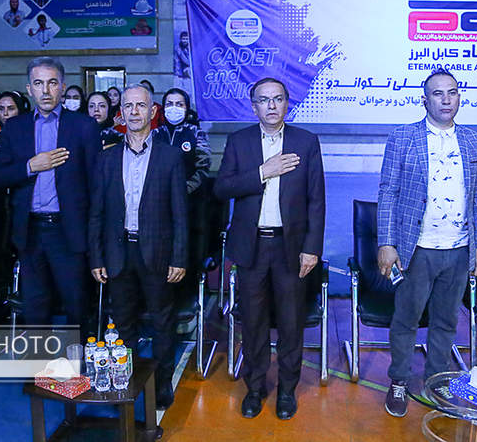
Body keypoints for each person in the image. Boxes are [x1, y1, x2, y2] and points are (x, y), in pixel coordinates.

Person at [378, 68, 477, 417]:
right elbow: (388, 192)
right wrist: (387, 243)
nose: (446, 100)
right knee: (406, 320)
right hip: (416, 249)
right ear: (425, 100)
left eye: (452, 92)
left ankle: (436, 381)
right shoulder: (403, 137)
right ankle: (399, 380)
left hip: (458, 248)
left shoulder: (473, 140)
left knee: (445, 322)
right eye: (438, 94)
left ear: (459, 98)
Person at [214, 77, 325, 420]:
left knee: (291, 322)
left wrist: (312, 248)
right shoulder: (239, 141)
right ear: (254, 107)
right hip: (252, 247)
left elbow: (316, 200)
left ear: (287, 103)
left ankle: (287, 390)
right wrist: (263, 172)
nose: (272, 105)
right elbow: (222, 188)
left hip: (291, 247)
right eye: (264, 100)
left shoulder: (305, 142)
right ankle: (255, 387)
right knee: (253, 321)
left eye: (278, 99)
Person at [89, 83, 188, 410]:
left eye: (141, 105)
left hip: (157, 253)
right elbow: (97, 212)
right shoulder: (106, 159)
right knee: (123, 324)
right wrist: (96, 256)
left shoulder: (170, 157)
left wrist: (179, 257)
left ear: (152, 111)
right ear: (121, 113)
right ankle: (125, 382)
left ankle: (161, 384)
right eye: (128, 106)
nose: (134, 111)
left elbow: (180, 213)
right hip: (118, 253)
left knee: (162, 322)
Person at [0, 57, 100, 327]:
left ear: (62, 87)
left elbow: (97, 184)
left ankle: (77, 355)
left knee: (76, 305)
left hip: (68, 230)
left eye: (52, 83)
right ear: (29, 89)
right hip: (30, 231)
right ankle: (40, 356)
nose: (46, 90)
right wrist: (30, 166)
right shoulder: (15, 127)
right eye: (39, 84)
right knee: (35, 309)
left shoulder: (83, 126)